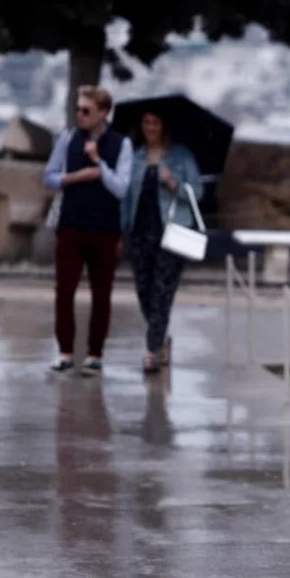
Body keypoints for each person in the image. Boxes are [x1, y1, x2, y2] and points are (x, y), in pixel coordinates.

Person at [43, 85, 133, 376]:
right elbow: (49, 177)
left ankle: (95, 354)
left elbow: (121, 188)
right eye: (78, 109)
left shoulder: (122, 144)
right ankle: (65, 353)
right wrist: (75, 177)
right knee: (64, 291)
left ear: (103, 113)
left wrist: (98, 164)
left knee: (101, 294)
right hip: (70, 224)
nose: (80, 115)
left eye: (86, 110)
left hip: (104, 228)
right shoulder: (68, 138)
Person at [120, 110, 203, 373]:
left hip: (171, 232)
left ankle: (151, 349)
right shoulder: (135, 157)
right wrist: (121, 231)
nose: (150, 128)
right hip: (139, 232)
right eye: (146, 122)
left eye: (155, 122)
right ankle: (161, 338)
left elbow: (198, 192)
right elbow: (126, 197)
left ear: (164, 126)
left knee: (162, 292)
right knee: (144, 291)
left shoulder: (181, 156)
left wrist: (174, 185)